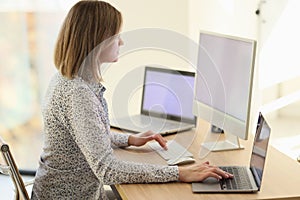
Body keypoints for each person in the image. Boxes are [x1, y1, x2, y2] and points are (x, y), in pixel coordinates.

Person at [31, 1, 233, 199]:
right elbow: (107, 170)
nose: (121, 42)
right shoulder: (77, 93)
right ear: (98, 40)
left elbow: (87, 136)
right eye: (116, 36)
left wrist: (129, 140)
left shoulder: (68, 78)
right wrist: (179, 173)